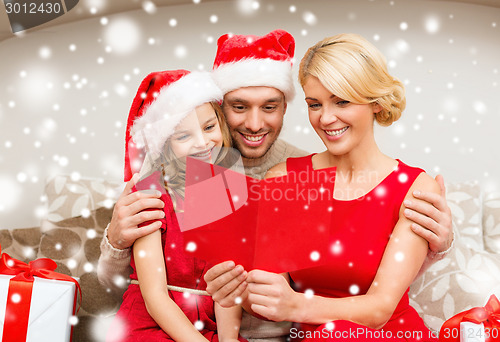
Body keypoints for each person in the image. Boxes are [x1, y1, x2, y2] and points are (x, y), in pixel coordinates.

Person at [98, 30, 453, 342]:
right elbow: (127, 279)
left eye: (269, 106)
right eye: (239, 106)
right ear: (220, 109)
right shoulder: (196, 173)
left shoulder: (300, 173)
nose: (254, 123)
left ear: (284, 107)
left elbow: (373, 290)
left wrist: (436, 246)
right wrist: (116, 239)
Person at [208, 33, 444, 341]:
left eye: (341, 101)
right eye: (314, 104)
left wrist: (296, 305)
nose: (326, 118)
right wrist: (232, 287)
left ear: (375, 102)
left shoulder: (413, 186)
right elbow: (268, 293)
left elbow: (380, 309)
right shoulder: (288, 180)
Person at [106, 69, 246, 342]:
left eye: (209, 127)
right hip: (151, 323)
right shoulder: (149, 195)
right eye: (184, 137)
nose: (203, 143)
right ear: (165, 145)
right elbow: (155, 296)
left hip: (209, 325)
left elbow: (227, 289)